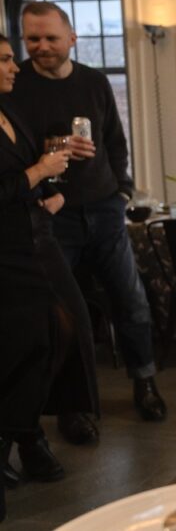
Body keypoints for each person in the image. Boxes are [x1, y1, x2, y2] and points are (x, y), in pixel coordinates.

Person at [9, 2, 166, 441]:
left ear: (72, 39)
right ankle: (73, 408)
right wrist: (51, 154)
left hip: (104, 209)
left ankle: (145, 383)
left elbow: (115, 140)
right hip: (54, 217)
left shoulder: (94, 81)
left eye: (50, 38)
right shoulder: (16, 87)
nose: (41, 46)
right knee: (66, 315)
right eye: (32, 38)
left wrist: (122, 193)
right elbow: (15, 156)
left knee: (131, 301)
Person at [0, 33, 76, 517]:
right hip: (4, 256)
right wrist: (38, 172)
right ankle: (22, 441)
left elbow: (22, 175)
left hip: (30, 244)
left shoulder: (10, 112)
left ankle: (20, 435)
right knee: (19, 349)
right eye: (6, 59)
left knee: (54, 333)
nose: (15, 66)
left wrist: (48, 191)